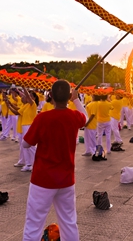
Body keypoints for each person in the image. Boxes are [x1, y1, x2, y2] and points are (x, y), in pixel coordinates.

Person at [22, 80, 88, 241]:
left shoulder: (43, 118)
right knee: (69, 222)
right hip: (66, 179)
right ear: (69, 96)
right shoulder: (74, 116)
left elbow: (25, 144)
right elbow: (86, 118)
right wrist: (76, 99)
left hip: (42, 179)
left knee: (34, 224)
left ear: (50, 96)